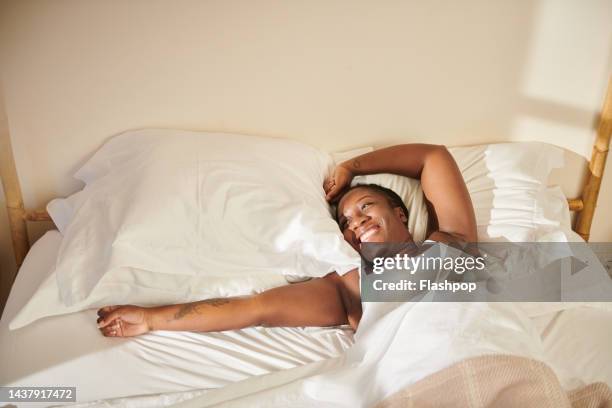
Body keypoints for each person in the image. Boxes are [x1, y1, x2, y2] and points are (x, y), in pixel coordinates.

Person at [97, 144, 477, 337]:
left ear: (400, 213)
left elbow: (432, 156)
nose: (356, 222)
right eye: (345, 222)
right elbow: (256, 308)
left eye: (365, 207)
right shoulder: (351, 285)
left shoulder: (453, 241)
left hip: (486, 338)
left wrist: (350, 168)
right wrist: (151, 320)